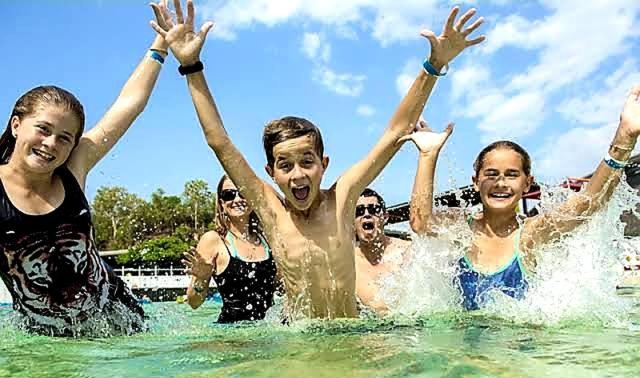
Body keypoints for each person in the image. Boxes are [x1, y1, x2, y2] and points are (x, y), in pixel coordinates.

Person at [151, 0, 485, 319]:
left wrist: (434, 65)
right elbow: (219, 142)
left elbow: (395, 132)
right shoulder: (270, 209)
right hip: (301, 340)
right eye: (285, 165)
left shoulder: (343, 198)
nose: (297, 174)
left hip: (349, 333)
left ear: (323, 164)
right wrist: (190, 66)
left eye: (307, 162)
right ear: (271, 172)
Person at [0, 3, 170, 336]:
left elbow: (127, 105)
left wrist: (160, 47)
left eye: (65, 138)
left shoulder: (72, 169)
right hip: (48, 338)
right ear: (17, 124)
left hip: (121, 318)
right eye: (43, 129)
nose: (51, 144)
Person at [404, 85, 640, 310]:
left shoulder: (531, 234)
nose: (501, 183)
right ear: (476, 181)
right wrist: (428, 155)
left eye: (512, 175)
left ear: (527, 183)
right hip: (468, 350)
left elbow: (588, 203)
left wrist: (625, 138)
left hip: (520, 348)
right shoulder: (460, 229)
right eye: (491, 174)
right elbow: (420, 222)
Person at [355, 121, 453, 314]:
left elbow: (423, 225)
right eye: (359, 212)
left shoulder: (408, 251)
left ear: (385, 217)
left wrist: (427, 155)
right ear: (350, 222)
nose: (366, 214)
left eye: (373, 209)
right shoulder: (345, 262)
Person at [182, 175, 277, 323]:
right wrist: (201, 278)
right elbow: (194, 303)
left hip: (269, 334)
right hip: (231, 338)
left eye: (243, 193)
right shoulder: (213, 240)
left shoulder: (268, 240)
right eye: (229, 195)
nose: (237, 199)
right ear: (222, 204)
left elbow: (284, 288)